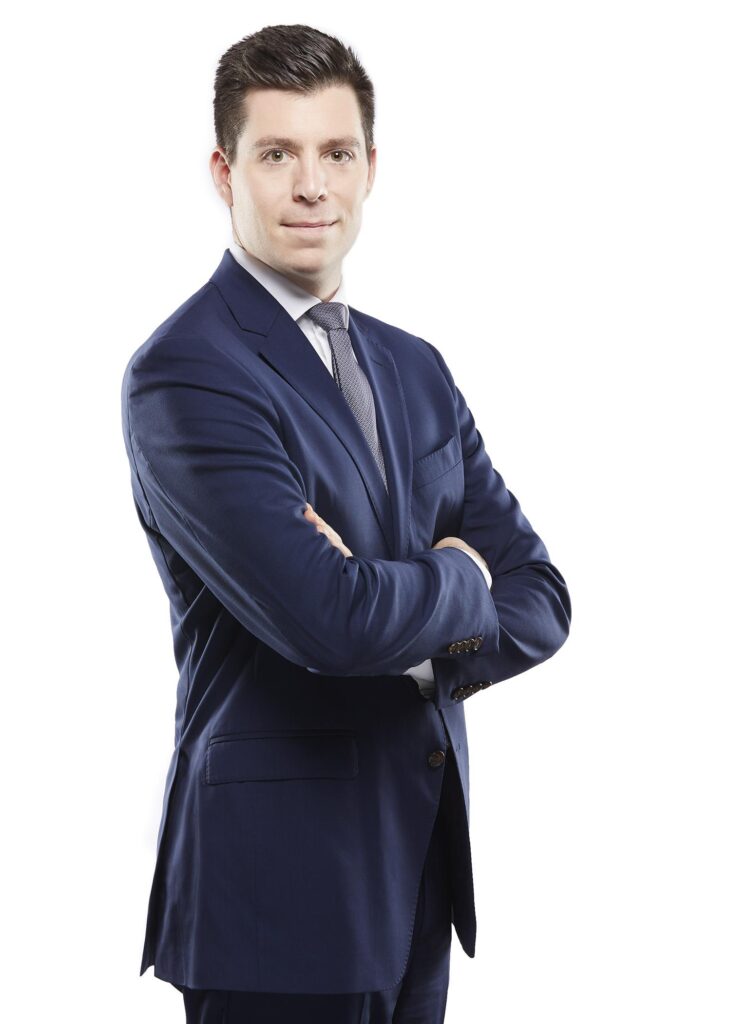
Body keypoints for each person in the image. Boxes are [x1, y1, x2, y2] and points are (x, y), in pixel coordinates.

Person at [120, 22, 572, 1024]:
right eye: (276, 154)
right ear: (224, 173)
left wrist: (397, 620)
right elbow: (328, 618)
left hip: (416, 875)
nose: (311, 186)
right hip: (273, 898)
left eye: (335, 152)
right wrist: (459, 578)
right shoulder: (187, 372)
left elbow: (541, 596)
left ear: (371, 168)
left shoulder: (414, 365)